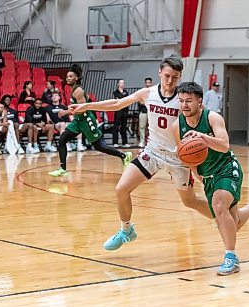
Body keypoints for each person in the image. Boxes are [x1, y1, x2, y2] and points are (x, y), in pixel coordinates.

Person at [70, 56, 216, 251]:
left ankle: (224, 217)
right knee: (121, 189)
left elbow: (203, 121)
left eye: (175, 77)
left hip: (178, 158)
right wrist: (87, 106)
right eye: (167, 76)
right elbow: (117, 104)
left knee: (190, 201)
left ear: (180, 77)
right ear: (159, 73)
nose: (170, 81)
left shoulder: (184, 100)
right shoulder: (148, 93)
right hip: (152, 153)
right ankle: (126, 230)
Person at [171, 82, 249, 275]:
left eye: (189, 101)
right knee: (231, 223)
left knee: (219, 206)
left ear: (200, 101)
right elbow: (186, 155)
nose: (184, 105)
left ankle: (231, 257)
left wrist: (201, 137)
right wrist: (196, 173)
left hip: (227, 168)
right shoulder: (177, 125)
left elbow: (224, 145)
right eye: (181, 101)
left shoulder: (212, 118)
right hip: (208, 175)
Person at [48, 64, 132, 177]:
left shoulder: (78, 91)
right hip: (78, 121)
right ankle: (62, 168)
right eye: (67, 76)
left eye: (71, 76)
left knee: (99, 146)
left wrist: (65, 112)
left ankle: (124, 156)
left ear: (76, 78)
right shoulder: (73, 90)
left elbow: (82, 109)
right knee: (62, 140)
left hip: (86, 120)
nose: (68, 78)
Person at [111, 79, 130, 148]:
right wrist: (122, 100)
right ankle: (115, 142)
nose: (122, 84)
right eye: (121, 83)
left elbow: (127, 100)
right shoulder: (115, 92)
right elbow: (117, 101)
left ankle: (124, 142)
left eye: (123, 83)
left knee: (124, 127)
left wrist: (122, 100)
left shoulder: (126, 92)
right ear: (118, 84)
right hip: (118, 111)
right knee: (116, 126)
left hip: (125, 111)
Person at [137, 77, 152, 147]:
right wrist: (149, 101)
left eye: (149, 82)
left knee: (152, 128)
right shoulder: (142, 91)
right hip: (143, 111)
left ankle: (150, 143)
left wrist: (146, 101)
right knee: (142, 127)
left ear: (151, 83)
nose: (148, 84)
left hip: (152, 112)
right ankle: (142, 141)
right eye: (146, 83)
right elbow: (140, 102)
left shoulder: (153, 92)